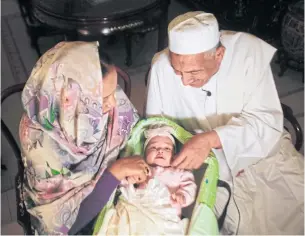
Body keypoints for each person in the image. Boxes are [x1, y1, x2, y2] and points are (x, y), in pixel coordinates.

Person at [145, 11, 304, 235]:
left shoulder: (248, 55)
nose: (185, 81)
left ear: (219, 55)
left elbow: (267, 122)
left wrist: (212, 138)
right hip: (204, 165)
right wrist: (162, 142)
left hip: (261, 151)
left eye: (193, 72)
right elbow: (156, 124)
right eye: (178, 71)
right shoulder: (162, 67)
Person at [19, 41, 150, 235]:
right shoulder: (41, 146)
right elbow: (64, 225)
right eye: (103, 100)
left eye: (114, 92)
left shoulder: (94, 97)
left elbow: (136, 133)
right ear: (69, 103)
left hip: (115, 191)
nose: (113, 103)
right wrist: (114, 173)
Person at [98, 125, 196, 235]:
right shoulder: (139, 167)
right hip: (136, 208)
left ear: (174, 155)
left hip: (163, 216)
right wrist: (129, 180)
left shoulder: (179, 172)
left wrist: (182, 196)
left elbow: (190, 186)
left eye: (167, 148)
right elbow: (121, 184)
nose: (160, 150)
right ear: (144, 155)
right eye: (153, 147)